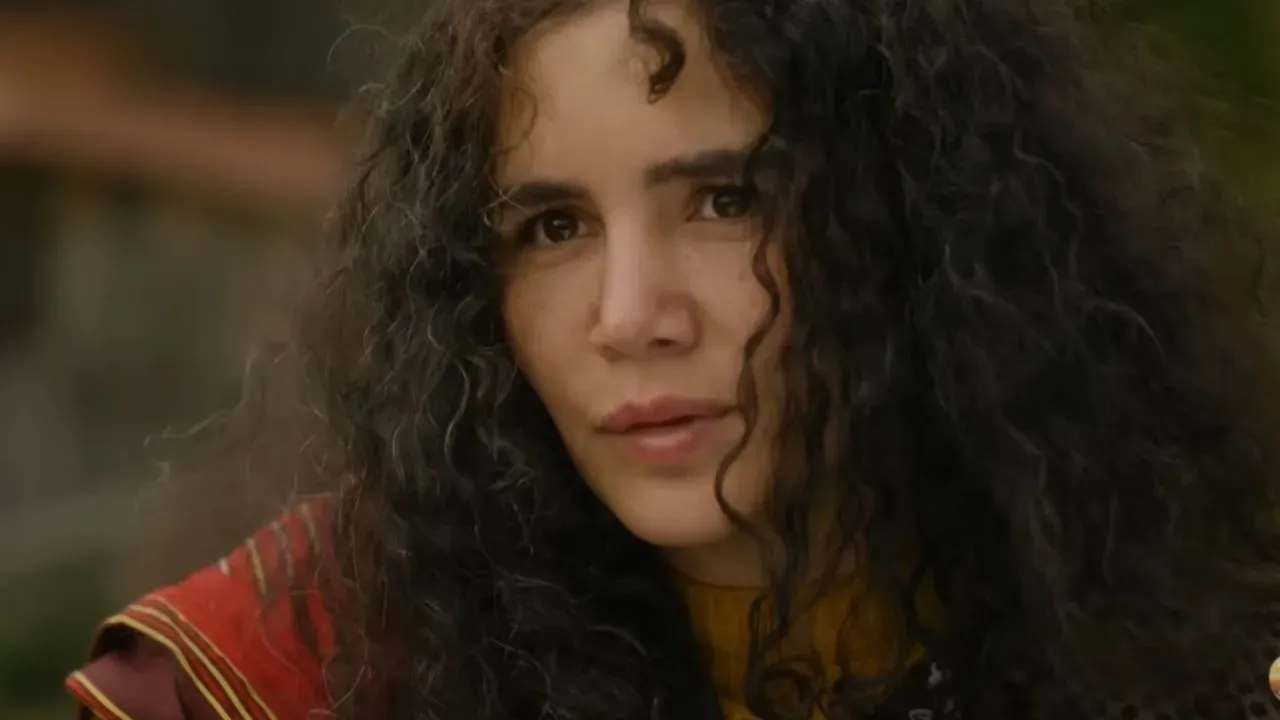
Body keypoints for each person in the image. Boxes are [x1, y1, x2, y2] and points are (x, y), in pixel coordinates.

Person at [63, 0, 1280, 718]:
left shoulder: (1201, 641)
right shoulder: (291, 674)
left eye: (724, 202)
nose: (629, 315)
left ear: (921, 224)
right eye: (552, 227)